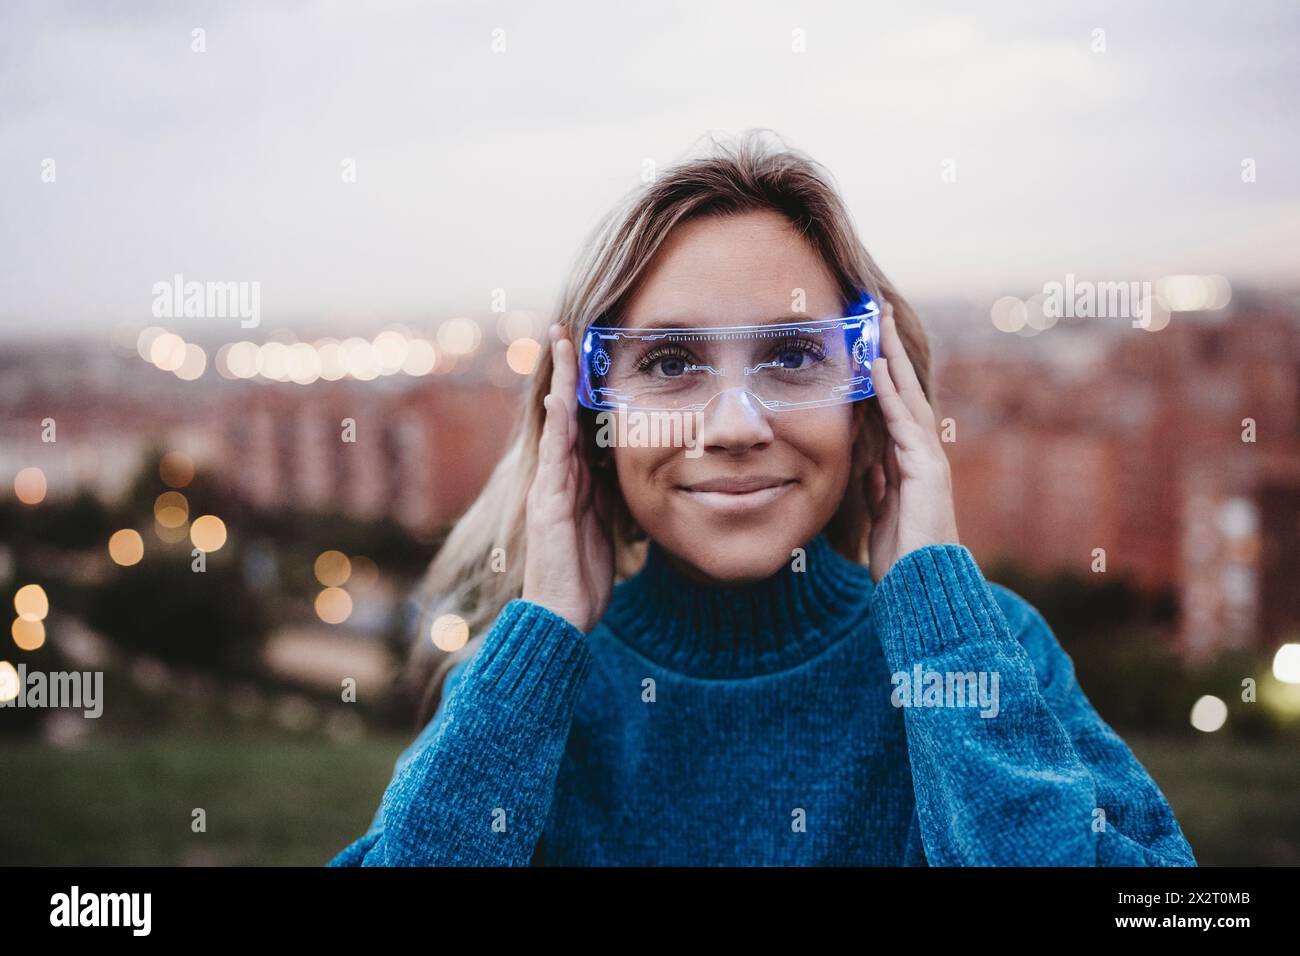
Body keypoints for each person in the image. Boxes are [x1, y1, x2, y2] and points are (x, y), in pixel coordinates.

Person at [327, 130, 1197, 866]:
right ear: (587, 418)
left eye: (790, 356)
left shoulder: (986, 650)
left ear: (873, 397)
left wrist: (937, 616)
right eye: (669, 365)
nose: (735, 426)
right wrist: (542, 634)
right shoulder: (528, 689)